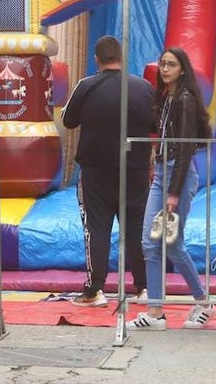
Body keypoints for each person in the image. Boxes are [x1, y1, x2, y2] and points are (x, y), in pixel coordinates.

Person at [61, 35, 154, 307]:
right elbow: (156, 122)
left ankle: (94, 291)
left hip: (96, 170)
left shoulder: (86, 86)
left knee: (97, 229)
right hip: (135, 169)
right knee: (136, 228)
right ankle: (143, 288)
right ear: (122, 58)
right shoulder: (144, 88)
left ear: (96, 60)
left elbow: (68, 120)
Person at [127, 47, 213, 332]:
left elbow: (186, 147)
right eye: (163, 64)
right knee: (150, 242)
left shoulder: (185, 101)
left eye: (171, 65)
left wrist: (174, 191)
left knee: (172, 243)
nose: (165, 69)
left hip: (178, 173)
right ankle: (155, 310)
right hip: (162, 172)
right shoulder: (166, 99)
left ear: (182, 69)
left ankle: (203, 300)